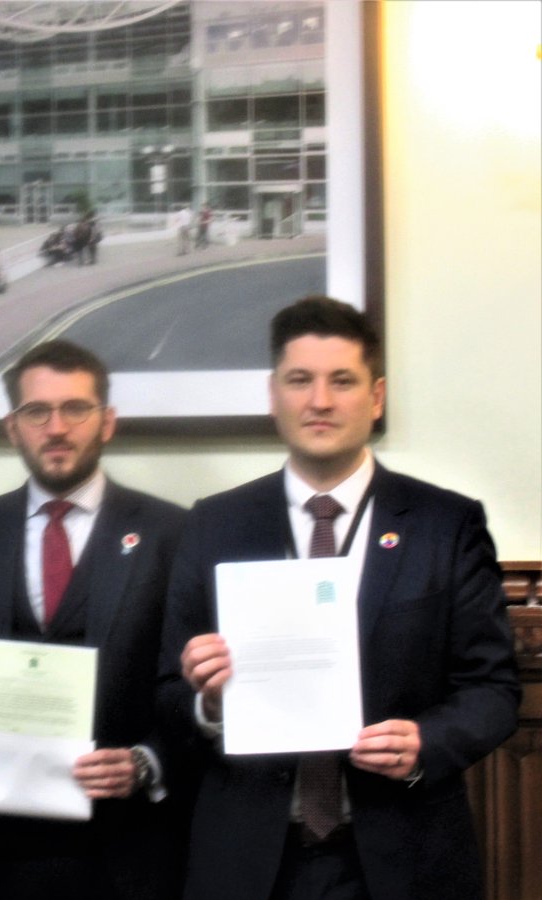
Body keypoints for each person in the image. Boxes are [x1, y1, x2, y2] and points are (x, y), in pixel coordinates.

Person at [158, 296, 520, 900]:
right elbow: (167, 692)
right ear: (273, 395)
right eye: (300, 380)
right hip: (247, 863)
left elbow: (494, 689)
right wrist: (209, 704)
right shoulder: (214, 525)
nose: (320, 400)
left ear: (376, 397)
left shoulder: (445, 523)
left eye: (342, 381)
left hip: (405, 858)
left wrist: (426, 741)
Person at [0, 340, 188, 900]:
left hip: (124, 848)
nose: (57, 427)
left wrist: (146, 762)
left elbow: (184, 688)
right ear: (12, 428)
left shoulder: (170, 533)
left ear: (107, 422)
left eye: (76, 409)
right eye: (37, 411)